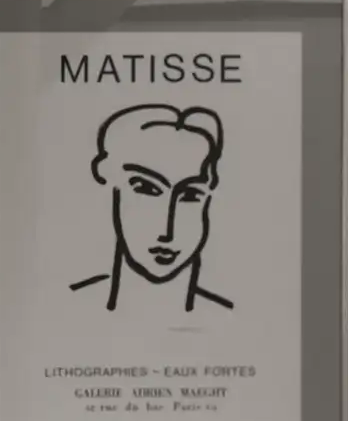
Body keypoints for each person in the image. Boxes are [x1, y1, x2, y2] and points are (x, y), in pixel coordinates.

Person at [71, 102, 234, 313]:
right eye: (146, 188)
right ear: (109, 177)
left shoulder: (230, 318)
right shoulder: (66, 306)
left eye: (190, 195)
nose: (167, 231)